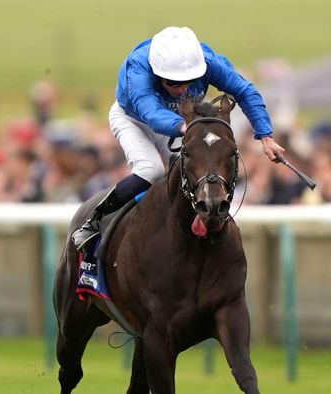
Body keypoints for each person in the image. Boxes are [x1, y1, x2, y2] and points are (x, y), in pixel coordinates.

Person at [72, 26, 287, 249]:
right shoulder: (137, 67)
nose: (183, 89)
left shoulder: (208, 61)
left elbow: (244, 91)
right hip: (135, 120)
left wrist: (265, 135)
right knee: (151, 171)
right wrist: (184, 126)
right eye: (174, 83)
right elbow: (151, 113)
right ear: (157, 73)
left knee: (197, 170)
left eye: (190, 80)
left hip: (182, 122)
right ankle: (95, 220)